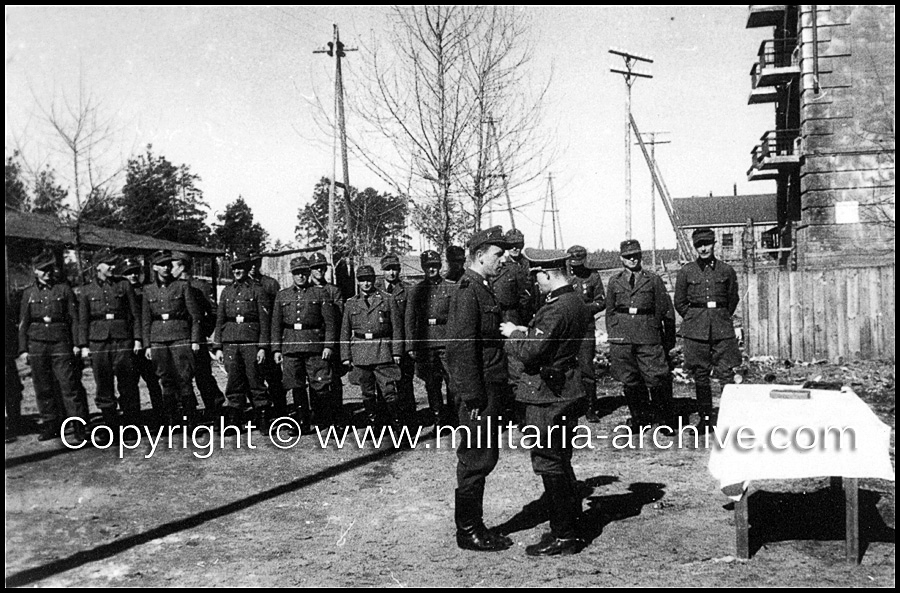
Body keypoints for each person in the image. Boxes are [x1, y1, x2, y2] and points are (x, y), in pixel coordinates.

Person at [501, 248, 591, 556]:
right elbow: (555, 341)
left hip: (547, 396)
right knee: (561, 457)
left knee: (548, 460)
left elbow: (531, 352)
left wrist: (514, 334)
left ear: (548, 274)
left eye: (537, 276)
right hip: (565, 390)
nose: (535, 282)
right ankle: (572, 523)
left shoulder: (555, 308)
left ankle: (564, 534)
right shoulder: (575, 301)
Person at [446, 225, 514, 552]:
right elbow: (460, 349)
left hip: (489, 387)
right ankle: (469, 531)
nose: (503, 260)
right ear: (478, 255)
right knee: (475, 458)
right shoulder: (467, 290)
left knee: (483, 456)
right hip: (479, 393)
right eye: (498, 255)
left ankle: (474, 526)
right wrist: (472, 397)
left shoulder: (483, 287)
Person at [674, 227, 741, 430]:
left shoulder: (726, 270)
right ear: (695, 247)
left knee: (726, 372)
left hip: (721, 327)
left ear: (714, 244)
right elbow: (680, 302)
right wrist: (695, 317)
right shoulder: (686, 271)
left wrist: (720, 316)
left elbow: (732, 299)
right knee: (700, 373)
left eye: (707, 244)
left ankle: (730, 418)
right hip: (696, 329)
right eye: (699, 245)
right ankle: (704, 419)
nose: (703, 249)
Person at [605, 239, 676, 431]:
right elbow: (610, 311)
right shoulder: (614, 281)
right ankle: (640, 418)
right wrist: (615, 334)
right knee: (630, 379)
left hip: (648, 335)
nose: (632, 259)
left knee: (657, 377)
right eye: (628, 256)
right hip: (624, 337)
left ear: (641, 256)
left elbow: (666, 311)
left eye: (636, 255)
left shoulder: (652, 279)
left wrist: (668, 339)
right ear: (621, 258)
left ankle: (665, 419)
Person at [18, 252, 87, 442]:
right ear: (35, 271)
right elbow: (24, 323)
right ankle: (51, 425)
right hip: (37, 345)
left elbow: (74, 319)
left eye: (50, 269)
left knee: (69, 386)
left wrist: (77, 344)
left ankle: (78, 425)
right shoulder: (29, 293)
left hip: (61, 343)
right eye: (43, 270)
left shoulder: (63, 290)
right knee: (43, 387)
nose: (48, 273)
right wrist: (23, 349)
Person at [78, 250, 142, 441]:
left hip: (122, 340)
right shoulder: (87, 290)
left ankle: (131, 426)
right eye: (108, 264)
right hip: (98, 343)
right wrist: (83, 345)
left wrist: (137, 339)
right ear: (98, 266)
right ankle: (111, 427)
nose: (113, 267)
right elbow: (83, 320)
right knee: (103, 385)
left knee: (128, 383)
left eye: (114, 263)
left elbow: (135, 315)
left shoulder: (124, 285)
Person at [271, 256, 337, 431]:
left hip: (314, 346)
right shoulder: (282, 295)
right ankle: (302, 421)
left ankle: (323, 419)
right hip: (291, 346)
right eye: (296, 273)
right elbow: (276, 325)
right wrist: (276, 349)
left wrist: (328, 345)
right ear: (292, 274)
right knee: (296, 384)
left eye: (303, 273)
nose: (300, 276)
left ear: (308, 273)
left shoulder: (319, 293)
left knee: (320, 383)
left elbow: (330, 323)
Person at [141, 249, 202, 428]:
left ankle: (191, 420)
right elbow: (146, 319)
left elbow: (195, 316)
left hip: (180, 337)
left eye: (168, 264)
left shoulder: (182, 286)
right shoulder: (148, 290)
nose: (166, 268)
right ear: (154, 267)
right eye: (162, 265)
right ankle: (171, 420)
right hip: (158, 339)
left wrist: (195, 340)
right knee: (166, 380)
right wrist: (147, 345)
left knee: (184, 378)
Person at [214, 252, 272, 432]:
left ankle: (262, 418)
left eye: (240, 268)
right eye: (234, 268)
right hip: (230, 342)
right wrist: (218, 346)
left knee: (255, 379)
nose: (237, 271)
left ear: (247, 269)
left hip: (251, 341)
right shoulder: (226, 291)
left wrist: (263, 347)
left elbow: (264, 321)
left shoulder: (257, 289)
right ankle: (234, 420)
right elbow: (220, 319)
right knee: (234, 381)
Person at [341, 264, 403, 427]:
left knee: (389, 390)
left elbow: (397, 328)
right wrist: (346, 356)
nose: (366, 284)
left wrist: (396, 352)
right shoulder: (351, 303)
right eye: (362, 280)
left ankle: (396, 424)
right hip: (360, 352)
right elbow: (345, 331)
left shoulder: (387, 299)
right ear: (358, 282)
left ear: (374, 280)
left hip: (383, 350)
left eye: (369, 279)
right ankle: (373, 424)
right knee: (367, 392)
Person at [171, 251, 224, 422]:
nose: (168, 269)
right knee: (180, 376)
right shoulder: (171, 286)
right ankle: (187, 411)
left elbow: (213, 312)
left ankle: (214, 408)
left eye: (172, 265)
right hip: (178, 339)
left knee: (203, 376)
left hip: (197, 339)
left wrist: (203, 333)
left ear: (181, 266)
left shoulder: (200, 286)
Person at [405, 250, 455, 428]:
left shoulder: (451, 287)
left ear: (440, 267)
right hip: (426, 342)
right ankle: (438, 418)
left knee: (452, 381)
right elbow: (410, 319)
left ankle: (453, 416)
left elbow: (455, 317)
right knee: (432, 383)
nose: (431, 269)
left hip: (446, 340)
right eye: (428, 266)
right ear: (423, 268)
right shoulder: (416, 290)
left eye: (434, 266)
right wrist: (411, 345)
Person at [119, 257, 164, 424]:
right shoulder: (119, 294)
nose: (133, 276)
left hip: (145, 343)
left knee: (153, 380)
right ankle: (131, 418)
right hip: (126, 343)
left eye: (135, 273)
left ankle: (160, 415)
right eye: (128, 273)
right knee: (128, 383)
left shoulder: (147, 291)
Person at [566, 245, 606, 423]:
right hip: (567, 328)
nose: (576, 267)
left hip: (585, 328)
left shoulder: (593, 276)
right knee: (565, 367)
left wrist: (584, 310)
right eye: (573, 263)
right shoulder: (565, 277)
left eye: (579, 263)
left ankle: (590, 407)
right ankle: (569, 407)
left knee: (586, 368)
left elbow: (601, 301)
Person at [308, 252, 347, 426]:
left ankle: (337, 417)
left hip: (330, 341)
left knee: (334, 379)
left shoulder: (333, 290)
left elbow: (337, 317)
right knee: (314, 378)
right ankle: (319, 415)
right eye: (315, 268)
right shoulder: (305, 290)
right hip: (312, 342)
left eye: (321, 268)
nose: (319, 271)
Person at [376, 254, 414, 421]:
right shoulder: (375, 290)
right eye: (388, 269)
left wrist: (409, 346)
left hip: (402, 343)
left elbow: (410, 321)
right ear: (382, 270)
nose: (391, 273)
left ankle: (409, 420)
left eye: (395, 269)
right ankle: (385, 421)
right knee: (382, 385)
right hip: (382, 344)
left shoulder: (407, 290)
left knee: (405, 383)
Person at [249, 251, 285, 416]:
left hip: (269, 335)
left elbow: (277, 314)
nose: (252, 267)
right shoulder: (243, 286)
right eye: (248, 264)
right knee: (252, 375)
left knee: (274, 376)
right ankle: (260, 411)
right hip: (250, 337)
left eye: (255, 263)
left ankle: (279, 410)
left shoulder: (270, 284)